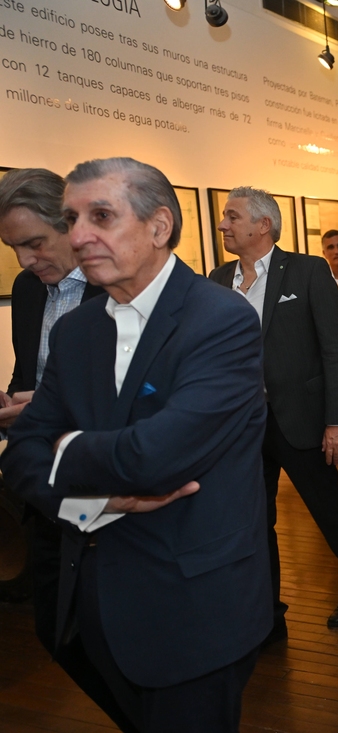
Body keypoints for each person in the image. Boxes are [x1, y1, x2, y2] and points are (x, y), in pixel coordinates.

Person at [0, 157, 271, 731]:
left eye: (101, 216)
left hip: (192, 609)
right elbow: (20, 456)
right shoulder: (76, 330)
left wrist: (65, 447)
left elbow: (156, 457)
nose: (79, 236)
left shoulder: (220, 319)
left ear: (159, 226)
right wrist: (93, 501)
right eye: (71, 219)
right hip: (92, 600)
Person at [210, 187, 338, 640]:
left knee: (328, 509)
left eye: (232, 216)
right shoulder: (218, 278)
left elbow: (335, 350)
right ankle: (268, 614)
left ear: (263, 224)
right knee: (256, 519)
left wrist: (337, 421)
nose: (223, 224)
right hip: (243, 424)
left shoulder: (306, 270)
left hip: (300, 418)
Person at [0, 168, 133, 732]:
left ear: (71, 225)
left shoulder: (119, 288)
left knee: (124, 638)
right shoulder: (30, 290)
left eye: (34, 243)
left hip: (116, 494)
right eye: (13, 248)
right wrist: (16, 403)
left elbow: (135, 399)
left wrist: (48, 411)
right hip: (49, 494)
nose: (25, 260)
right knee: (57, 631)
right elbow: (30, 375)